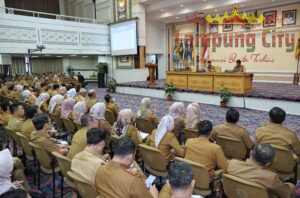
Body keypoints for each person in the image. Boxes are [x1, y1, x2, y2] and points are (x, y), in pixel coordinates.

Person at [227, 144, 295, 198]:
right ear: (268, 164)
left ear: (251, 154)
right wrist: (290, 186)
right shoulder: (271, 177)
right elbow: (286, 194)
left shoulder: (232, 163)